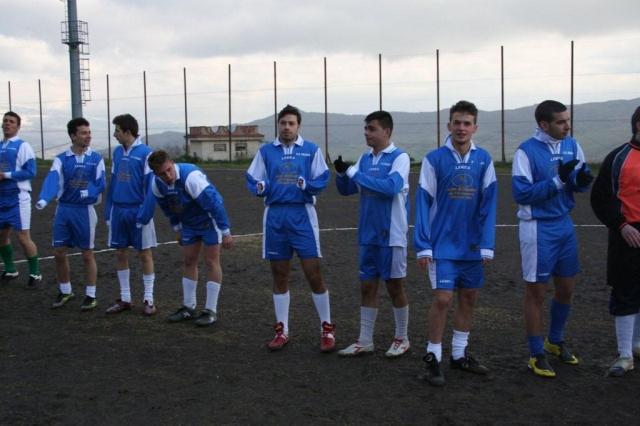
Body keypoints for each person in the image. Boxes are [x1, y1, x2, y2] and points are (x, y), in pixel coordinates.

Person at [414, 100, 497, 386]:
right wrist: (423, 245)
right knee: (443, 299)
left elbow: (489, 204)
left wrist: (487, 243)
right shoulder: (434, 159)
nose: (462, 128)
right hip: (442, 246)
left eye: (467, 123)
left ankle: (459, 355)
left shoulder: (484, 159)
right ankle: (433, 357)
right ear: (448, 125)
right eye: (457, 123)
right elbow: (423, 202)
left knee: (469, 297)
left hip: (472, 245)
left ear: (475, 127)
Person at [512, 100, 593, 378]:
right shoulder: (526, 151)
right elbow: (522, 194)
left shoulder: (572, 145)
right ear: (544, 125)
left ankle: (555, 341)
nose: (567, 126)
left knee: (567, 288)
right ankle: (536, 353)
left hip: (564, 225)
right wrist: (559, 181)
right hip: (537, 227)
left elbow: (575, 181)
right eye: (561, 122)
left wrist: (581, 182)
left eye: (567, 120)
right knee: (536, 293)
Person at [246, 104, 335, 352]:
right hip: (275, 216)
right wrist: (259, 188)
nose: (287, 127)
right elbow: (252, 178)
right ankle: (282, 330)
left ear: (298, 126)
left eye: (291, 123)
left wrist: (308, 185)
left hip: (302, 215)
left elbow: (322, 178)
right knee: (279, 274)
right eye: (283, 123)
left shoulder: (310, 150)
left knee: (313, 273)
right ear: (278, 125)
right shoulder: (266, 151)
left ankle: (327, 329)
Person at [333, 110, 411, 358]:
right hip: (368, 234)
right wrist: (341, 173)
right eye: (365, 128)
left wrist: (354, 173)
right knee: (367, 287)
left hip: (391, 235)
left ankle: (402, 338)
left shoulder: (400, 158)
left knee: (394, 287)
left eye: (372, 128)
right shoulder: (365, 159)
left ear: (387, 131)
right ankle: (365, 340)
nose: (366, 133)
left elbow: (390, 188)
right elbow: (347, 189)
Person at [139, 150, 233, 326]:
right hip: (188, 223)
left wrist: (225, 231)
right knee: (189, 261)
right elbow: (168, 209)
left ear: (172, 163)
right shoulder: (157, 185)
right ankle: (188, 307)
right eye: (162, 173)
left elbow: (215, 203)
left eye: (169, 170)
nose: (168, 176)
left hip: (209, 221)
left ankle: (210, 310)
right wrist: (177, 229)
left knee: (211, 261)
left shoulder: (191, 177)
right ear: (155, 174)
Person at [35, 117, 106, 310]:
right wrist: (44, 198)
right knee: (59, 252)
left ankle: (90, 295)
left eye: (89, 132)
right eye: (83, 133)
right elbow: (52, 179)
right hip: (64, 210)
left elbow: (101, 183)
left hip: (85, 212)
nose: (88, 136)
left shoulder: (96, 159)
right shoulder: (61, 159)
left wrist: (89, 192)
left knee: (87, 254)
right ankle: (65, 291)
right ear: (73, 136)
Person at [591, 106, 640, 377]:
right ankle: (624, 356)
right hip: (628, 235)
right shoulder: (618, 158)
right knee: (626, 292)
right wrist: (621, 226)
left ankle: (637, 344)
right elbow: (600, 198)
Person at [104, 114, 158, 316]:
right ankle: (125, 298)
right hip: (119, 210)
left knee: (145, 254)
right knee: (120, 252)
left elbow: (150, 187)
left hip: (138, 210)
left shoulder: (146, 153)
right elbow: (113, 182)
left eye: (117, 130)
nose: (114, 134)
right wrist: (108, 210)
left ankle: (149, 299)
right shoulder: (117, 152)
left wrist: (145, 213)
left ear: (127, 131)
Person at [0, 111, 42, 288]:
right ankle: (11, 269)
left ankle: (35, 273)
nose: (7, 123)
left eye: (11, 121)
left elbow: (31, 171)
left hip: (18, 198)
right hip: (1, 197)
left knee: (23, 237)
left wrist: (6, 175)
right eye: (5, 121)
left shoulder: (22, 146)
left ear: (18, 126)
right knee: (1, 236)